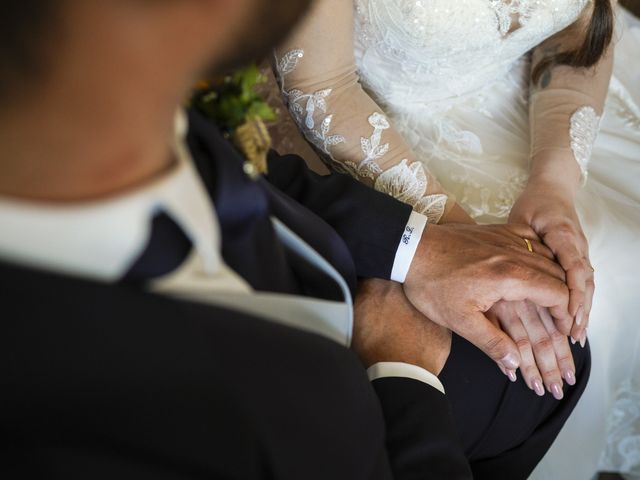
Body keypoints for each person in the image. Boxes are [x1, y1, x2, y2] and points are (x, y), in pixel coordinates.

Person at [0, 0, 588, 478]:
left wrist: (421, 248)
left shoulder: (102, 94)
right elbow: (322, 83)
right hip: (373, 418)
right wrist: (400, 373)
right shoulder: (59, 407)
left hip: (339, 268)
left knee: (563, 341)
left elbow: (259, 178)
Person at [274, 0, 640, 477]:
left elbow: (576, 35)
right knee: (581, 296)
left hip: (543, 111)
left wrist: (553, 184)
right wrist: (455, 235)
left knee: (618, 246)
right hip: (394, 136)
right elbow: (322, 84)